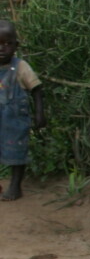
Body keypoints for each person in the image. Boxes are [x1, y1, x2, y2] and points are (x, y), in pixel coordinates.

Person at [0, 20, 46, 202]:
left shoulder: (20, 67)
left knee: (16, 152)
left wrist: (39, 114)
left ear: (16, 46)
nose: (2, 48)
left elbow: (37, 89)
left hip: (14, 120)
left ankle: (15, 186)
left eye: (7, 44)